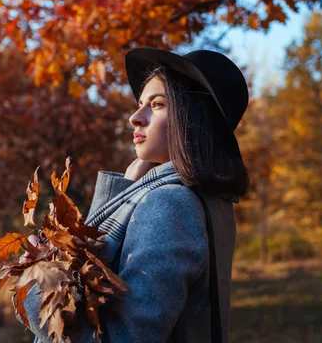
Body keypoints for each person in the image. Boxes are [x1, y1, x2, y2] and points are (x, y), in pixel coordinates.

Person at [15, 47, 250, 343]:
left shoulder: (171, 204)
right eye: (140, 104)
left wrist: (41, 287)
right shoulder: (209, 200)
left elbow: (123, 337)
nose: (135, 118)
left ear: (193, 119)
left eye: (158, 104)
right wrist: (127, 187)